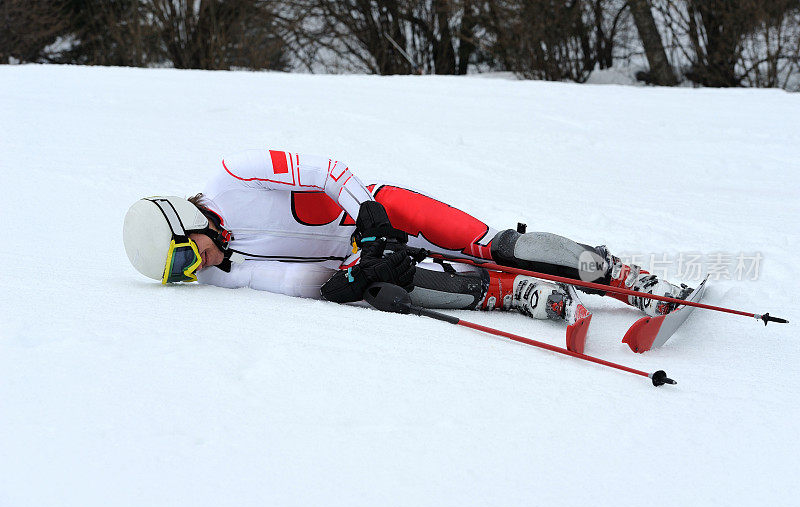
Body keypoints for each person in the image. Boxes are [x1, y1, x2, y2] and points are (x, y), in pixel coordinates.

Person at [123, 148, 690, 323]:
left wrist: (368, 215)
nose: (194, 269)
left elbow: (322, 170)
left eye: (184, 257)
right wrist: (343, 281)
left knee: (494, 244)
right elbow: (292, 280)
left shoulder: (232, 176)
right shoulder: (221, 273)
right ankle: (514, 293)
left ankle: (620, 277)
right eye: (181, 274)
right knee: (386, 281)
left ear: (183, 220)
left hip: (383, 210)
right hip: (362, 253)